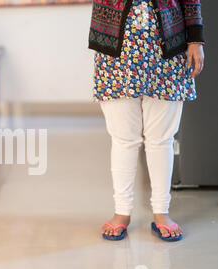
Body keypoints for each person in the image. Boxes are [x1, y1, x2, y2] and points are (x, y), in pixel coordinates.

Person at [88, 0, 205, 241]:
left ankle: (161, 212)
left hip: (169, 46)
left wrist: (196, 39)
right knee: (123, 138)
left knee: (162, 138)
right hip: (116, 50)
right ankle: (122, 212)